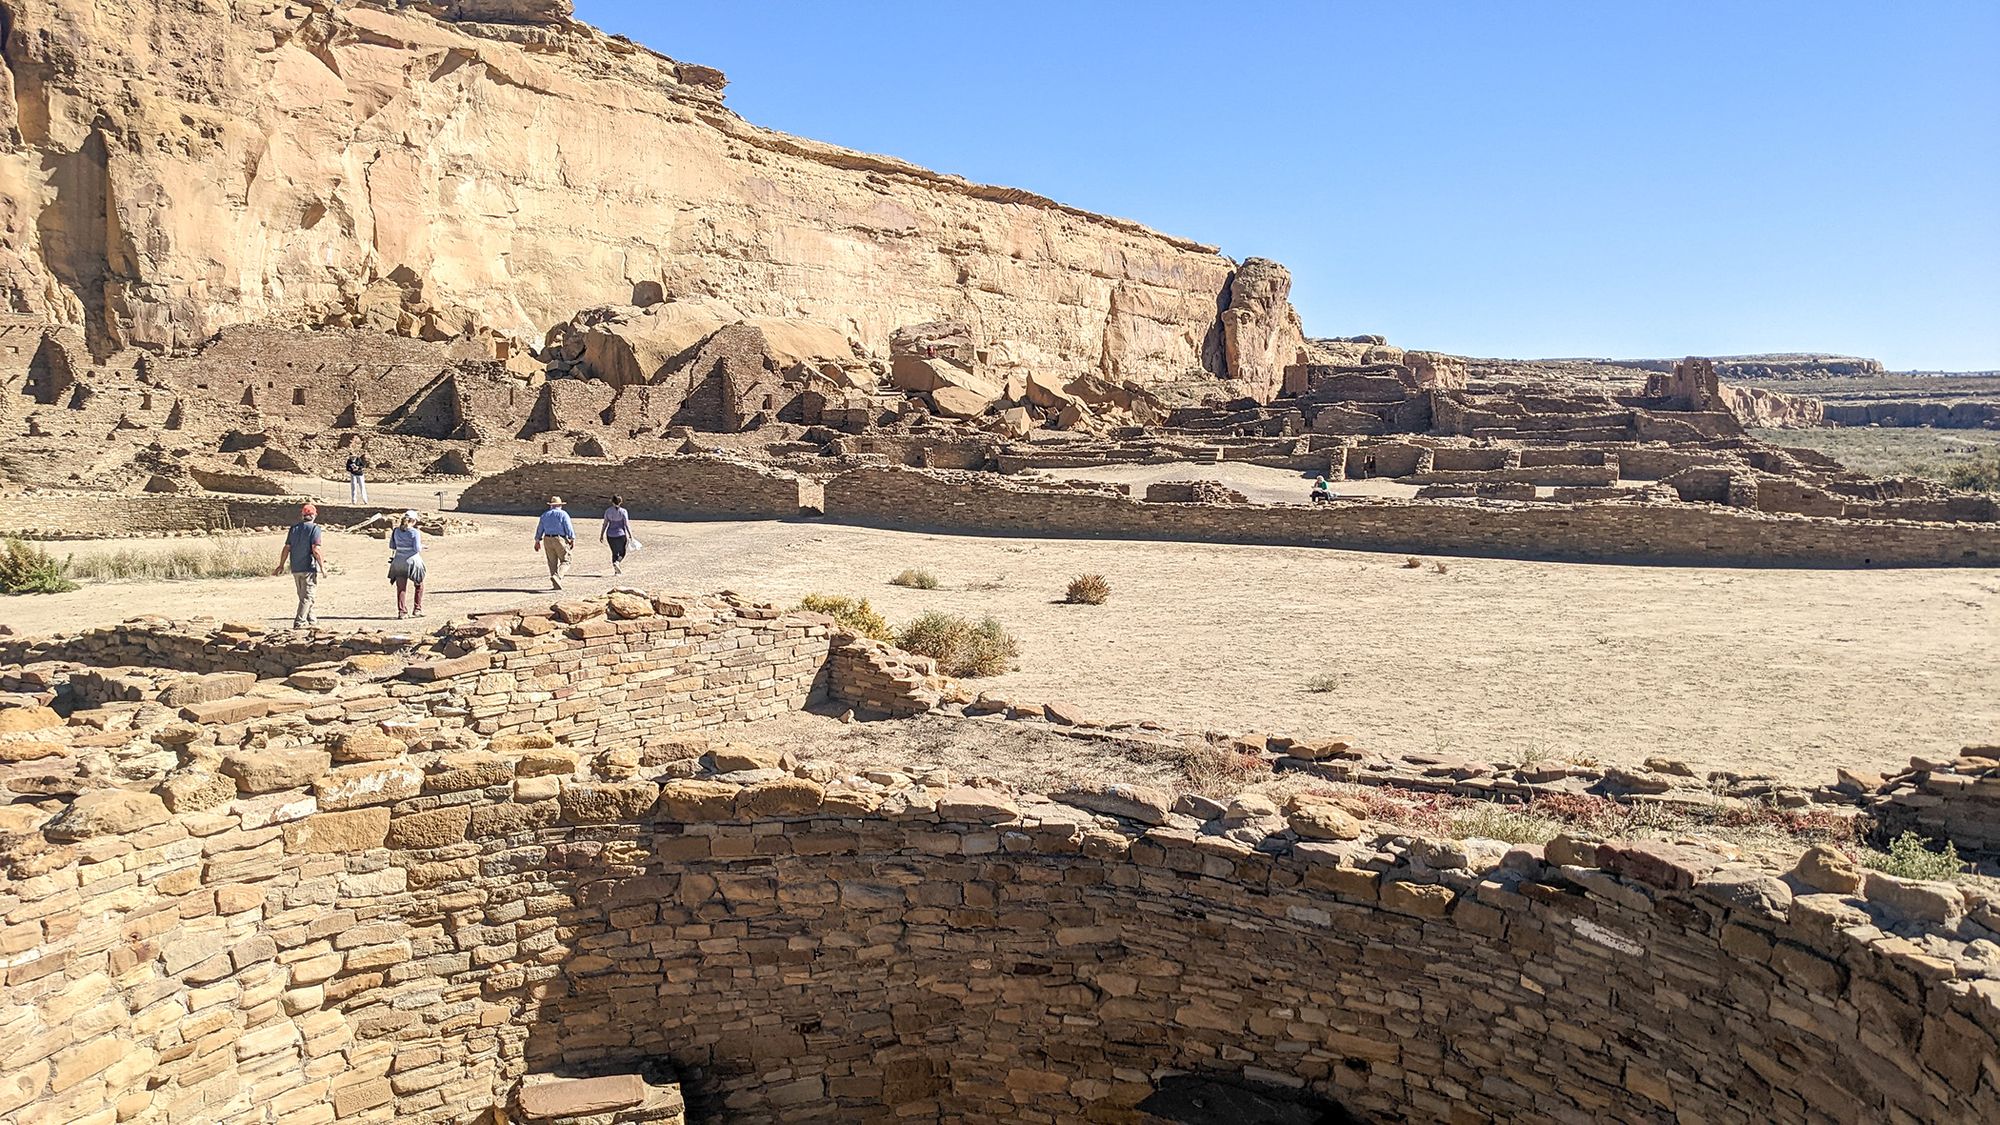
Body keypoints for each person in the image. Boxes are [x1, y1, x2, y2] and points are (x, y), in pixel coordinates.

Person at [273, 503, 324, 628]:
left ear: (302, 515)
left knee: (303, 596)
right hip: (308, 567)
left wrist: (281, 565)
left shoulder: (294, 529)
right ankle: (299, 622)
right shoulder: (314, 529)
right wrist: (322, 566)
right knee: (308, 596)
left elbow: (287, 547)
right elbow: (315, 549)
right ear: (314, 515)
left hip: (295, 567)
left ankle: (312, 620)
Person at [388, 510, 426, 619]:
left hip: (399, 560)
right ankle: (417, 609)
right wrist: (423, 546)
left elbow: (392, 545)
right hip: (413, 560)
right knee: (419, 584)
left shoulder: (396, 531)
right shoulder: (414, 532)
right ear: (413, 521)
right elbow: (417, 548)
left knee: (401, 587)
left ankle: (402, 611)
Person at [534, 495, 576, 590]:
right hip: (559, 539)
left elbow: (540, 528)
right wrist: (572, 538)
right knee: (566, 560)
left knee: (552, 561)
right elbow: (568, 527)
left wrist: (537, 540)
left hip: (547, 539)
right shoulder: (563, 514)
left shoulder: (545, 515)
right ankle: (558, 577)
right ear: (560, 505)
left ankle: (555, 583)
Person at [601, 494, 632, 576]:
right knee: (622, 552)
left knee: (614, 552)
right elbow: (626, 524)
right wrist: (630, 535)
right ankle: (617, 562)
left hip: (610, 534)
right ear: (621, 502)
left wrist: (601, 534)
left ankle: (616, 570)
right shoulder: (623, 511)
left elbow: (605, 524)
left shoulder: (608, 511)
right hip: (620, 534)